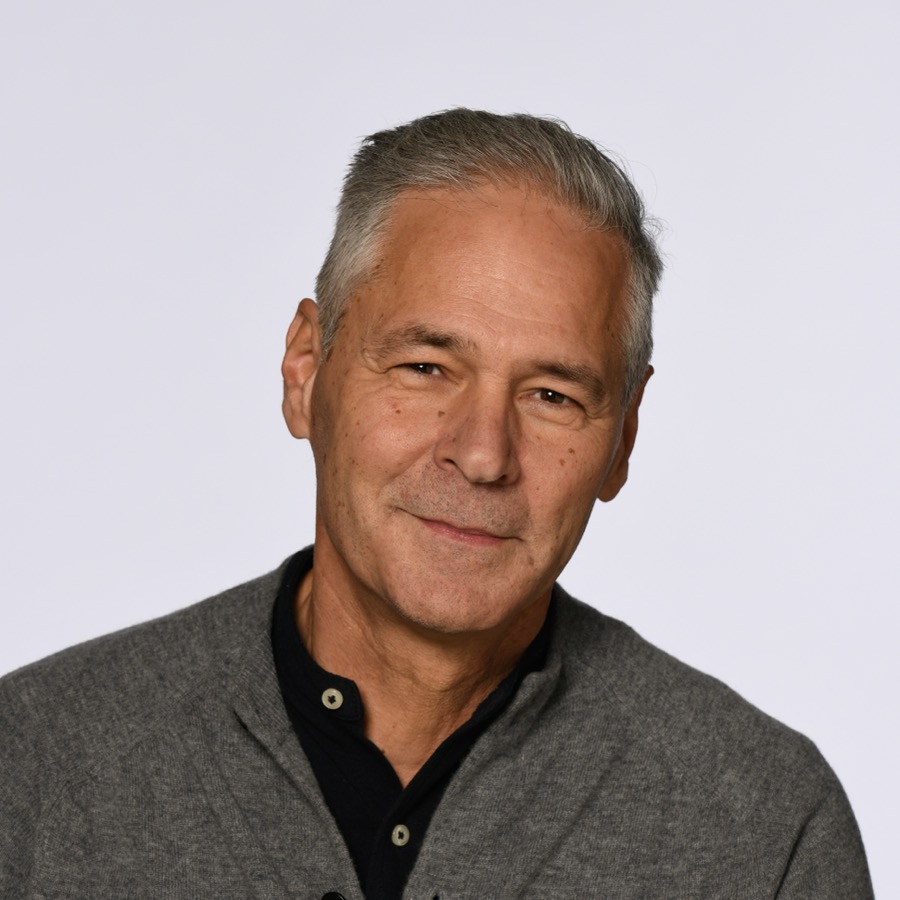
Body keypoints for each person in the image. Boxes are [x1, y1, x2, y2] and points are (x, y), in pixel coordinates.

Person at [0, 109, 873, 899]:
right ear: (306, 371)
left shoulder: (765, 830)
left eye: (553, 395)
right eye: (425, 367)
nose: (483, 455)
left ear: (624, 439)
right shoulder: (34, 764)